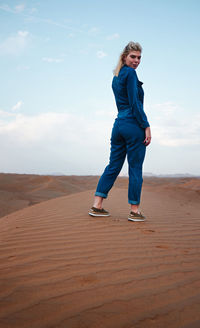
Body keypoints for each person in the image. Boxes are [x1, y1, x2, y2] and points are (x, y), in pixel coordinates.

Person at [89, 41, 151, 222]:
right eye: (133, 57)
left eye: (139, 58)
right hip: (133, 124)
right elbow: (134, 103)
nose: (136, 61)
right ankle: (135, 211)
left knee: (113, 165)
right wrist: (146, 125)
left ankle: (97, 205)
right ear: (124, 57)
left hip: (118, 125)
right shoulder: (130, 73)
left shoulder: (116, 76)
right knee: (135, 168)